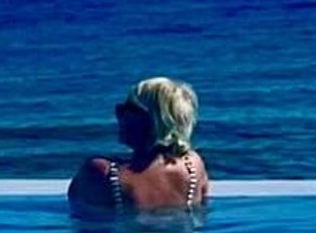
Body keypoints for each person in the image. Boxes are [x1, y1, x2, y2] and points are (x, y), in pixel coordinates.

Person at [68, 76, 210, 214]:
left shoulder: (102, 172)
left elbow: (81, 219)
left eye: (126, 109)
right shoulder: (194, 166)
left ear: (150, 119)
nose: (118, 114)